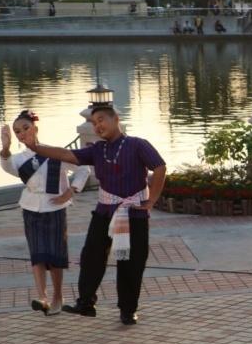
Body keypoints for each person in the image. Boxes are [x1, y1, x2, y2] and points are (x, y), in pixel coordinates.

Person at [27, 105, 166, 325]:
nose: (97, 126)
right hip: (104, 211)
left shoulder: (138, 144)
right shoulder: (97, 150)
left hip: (134, 214)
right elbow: (65, 154)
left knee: (131, 262)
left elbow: (159, 167)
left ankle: (128, 310)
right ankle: (85, 303)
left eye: (101, 120)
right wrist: (34, 145)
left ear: (116, 119)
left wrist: (152, 200)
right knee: (91, 256)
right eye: (94, 123)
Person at [0, 110, 90, 315]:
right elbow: (8, 166)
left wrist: (70, 191)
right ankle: (42, 297)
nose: (22, 133)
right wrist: (5, 149)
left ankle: (58, 296)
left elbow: (83, 169)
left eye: (25, 128)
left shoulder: (55, 153)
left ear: (35, 128)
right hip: (31, 209)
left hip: (55, 209)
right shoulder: (19, 159)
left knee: (55, 255)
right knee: (37, 254)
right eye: (17, 131)